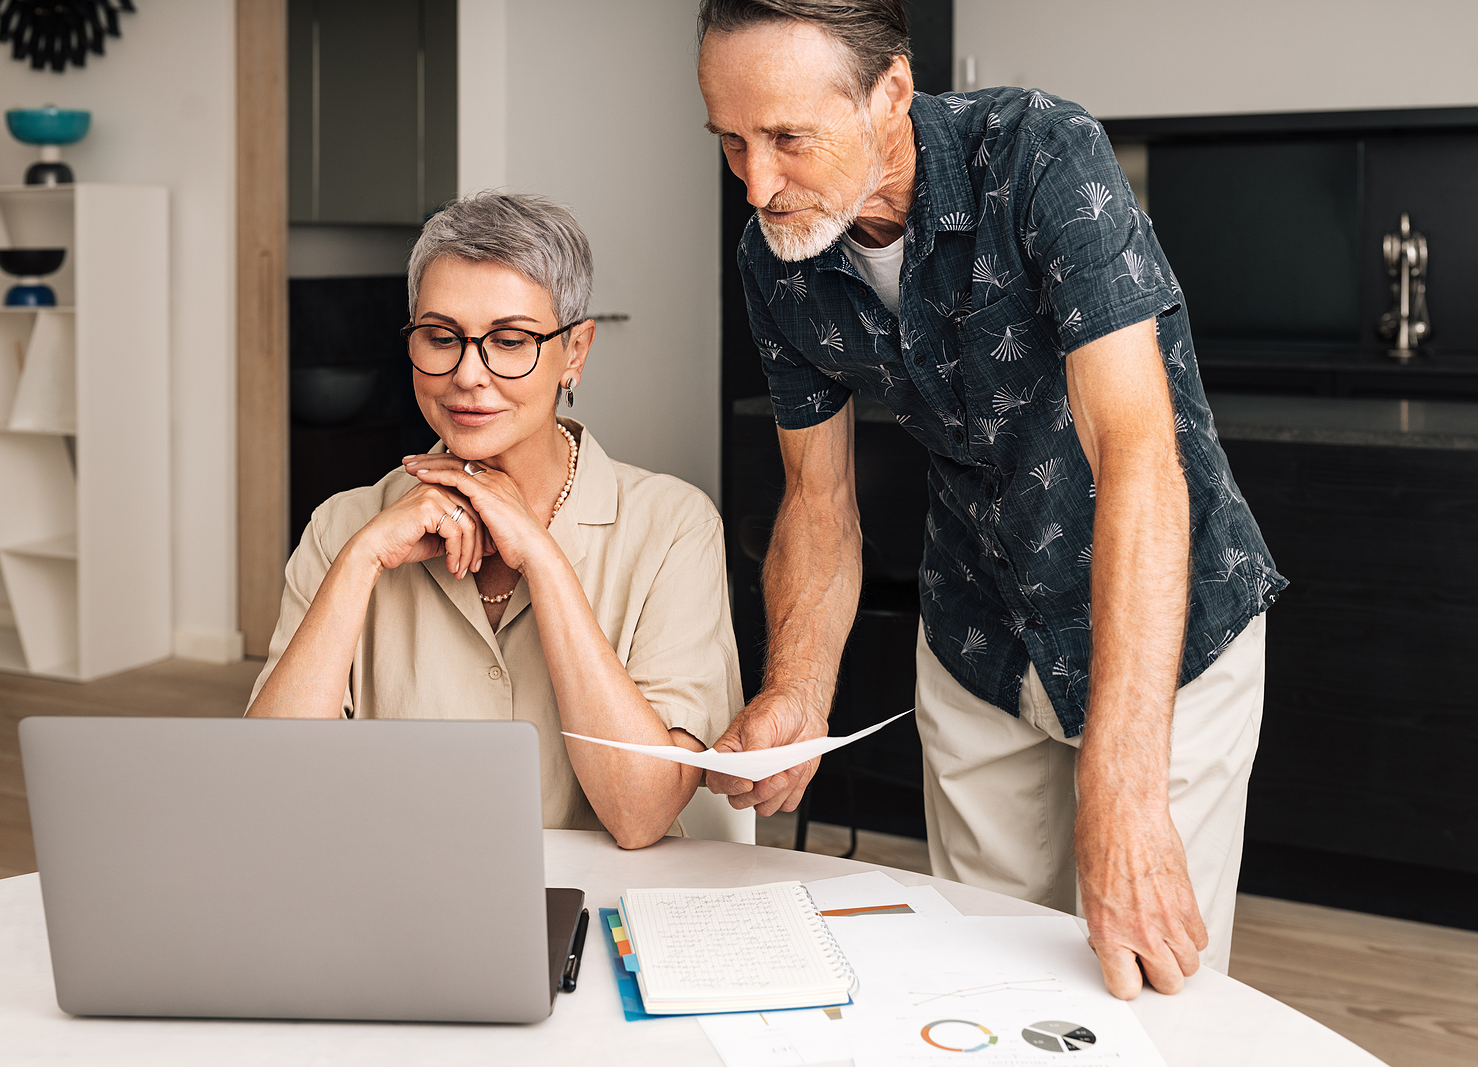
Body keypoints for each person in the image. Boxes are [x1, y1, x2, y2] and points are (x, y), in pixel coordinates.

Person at [695, 0, 1284, 998]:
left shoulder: (1043, 159)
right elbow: (817, 500)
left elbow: (1137, 458)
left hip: (1161, 644)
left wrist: (1123, 780)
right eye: (730, 142)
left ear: (889, 94)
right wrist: (796, 685)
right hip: (976, 637)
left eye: (788, 138)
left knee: (1144, 980)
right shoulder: (775, 262)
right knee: (986, 988)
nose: (755, 182)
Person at [248, 192, 742, 849]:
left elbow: (641, 812)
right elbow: (268, 792)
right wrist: (361, 560)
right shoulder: (345, 526)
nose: (468, 375)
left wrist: (543, 558)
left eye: (510, 341)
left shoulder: (674, 526)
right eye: (441, 337)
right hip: (398, 909)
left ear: (575, 352)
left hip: (604, 914)